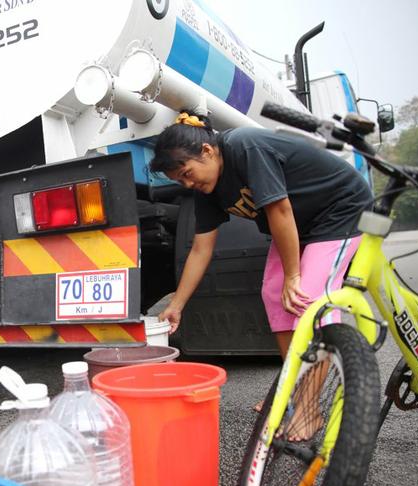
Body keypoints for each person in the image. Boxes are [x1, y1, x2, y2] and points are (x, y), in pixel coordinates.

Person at [151, 112, 373, 438]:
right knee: (273, 293)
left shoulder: (244, 146)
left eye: (187, 173)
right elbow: (200, 249)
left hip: (341, 209)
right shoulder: (206, 190)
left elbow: (279, 209)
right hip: (303, 224)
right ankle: (292, 392)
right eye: (180, 180)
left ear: (208, 152)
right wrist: (177, 304)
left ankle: (308, 412)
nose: (188, 183)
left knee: (306, 299)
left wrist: (294, 276)